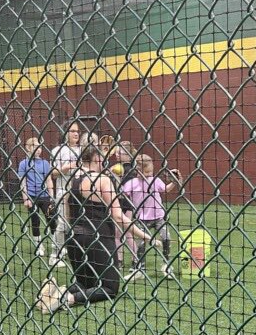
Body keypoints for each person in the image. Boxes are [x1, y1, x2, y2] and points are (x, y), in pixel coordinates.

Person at [37, 144, 149, 312]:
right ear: (96, 158)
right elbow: (118, 216)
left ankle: (54, 293)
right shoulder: (102, 179)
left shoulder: (73, 178)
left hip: (74, 238)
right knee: (110, 288)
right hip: (97, 238)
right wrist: (145, 236)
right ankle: (67, 298)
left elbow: (67, 212)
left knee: (86, 283)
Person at [121, 154, 181, 279]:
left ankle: (166, 265)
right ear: (138, 170)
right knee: (141, 244)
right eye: (146, 172)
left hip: (159, 216)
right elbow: (123, 195)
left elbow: (166, 189)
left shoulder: (155, 180)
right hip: (141, 219)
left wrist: (175, 181)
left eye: (151, 171)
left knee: (166, 238)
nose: (149, 174)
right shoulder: (132, 183)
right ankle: (139, 270)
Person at [17, 137, 56, 259]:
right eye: (35, 147)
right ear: (28, 148)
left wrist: (52, 197)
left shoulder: (45, 163)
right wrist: (26, 199)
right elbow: (22, 182)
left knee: (51, 220)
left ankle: (56, 245)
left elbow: (49, 180)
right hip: (32, 197)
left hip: (45, 196)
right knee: (35, 222)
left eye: (40, 147)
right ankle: (39, 246)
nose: (39, 149)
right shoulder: (23, 163)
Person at [50, 122, 81, 267]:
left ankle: (74, 251)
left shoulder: (83, 150)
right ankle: (55, 254)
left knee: (79, 224)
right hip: (64, 191)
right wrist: (65, 168)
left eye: (78, 131)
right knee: (63, 224)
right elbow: (53, 174)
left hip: (80, 192)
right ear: (65, 133)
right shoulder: (58, 150)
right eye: (72, 131)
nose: (76, 134)